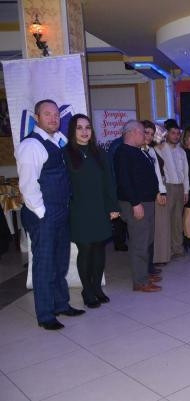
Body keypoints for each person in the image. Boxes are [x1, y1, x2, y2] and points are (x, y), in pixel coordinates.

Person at [17, 99, 85, 330]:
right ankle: (45, 314)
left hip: (60, 211)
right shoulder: (31, 145)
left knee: (60, 262)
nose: (53, 118)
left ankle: (61, 304)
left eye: (56, 114)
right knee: (45, 265)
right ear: (37, 117)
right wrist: (43, 213)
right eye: (47, 114)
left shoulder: (56, 141)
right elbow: (28, 186)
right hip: (43, 214)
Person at [65, 114, 119, 308]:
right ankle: (87, 290)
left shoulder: (99, 152)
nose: (84, 131)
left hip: (99, 208)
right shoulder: (66, 154)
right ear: (72, 131)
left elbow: (109, 181)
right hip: (78, 210)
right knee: (86, 250)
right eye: (79, 128)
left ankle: (97, 287)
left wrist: (113, 207)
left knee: (99, 249)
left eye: (87, 127)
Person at [113, 120, 161, 292]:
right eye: (142, 132)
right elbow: (125, 181)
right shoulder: (123, 152)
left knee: (146, 240)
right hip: (136, 203)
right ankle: (140, 281)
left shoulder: (137, 151)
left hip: (146, 202)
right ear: (132, 132)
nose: (145, 136)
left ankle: (144, 273)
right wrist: (135, 203)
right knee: (139, 242)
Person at [154, 119, 189, 258]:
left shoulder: (182, 152)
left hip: (180, 187)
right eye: (173, 133)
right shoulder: (160, 149)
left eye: (178, 133)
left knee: (177, 220)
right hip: (167, 187)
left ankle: (178, 248)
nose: (176, 136)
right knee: (166, 220)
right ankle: (166, 250)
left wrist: (186, 190)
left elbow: (186, 173)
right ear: (167, 134)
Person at [141, 121, 170, 267]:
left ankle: (149, 267)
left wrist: (161, 191)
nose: (149, 136)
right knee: (142, 236)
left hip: (154, 194)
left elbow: (157, 174)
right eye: (146, 132)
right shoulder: (133, 150)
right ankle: (144, 269)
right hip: (141, 197)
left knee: (151, 233)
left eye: (152, 134)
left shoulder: (151, 150)